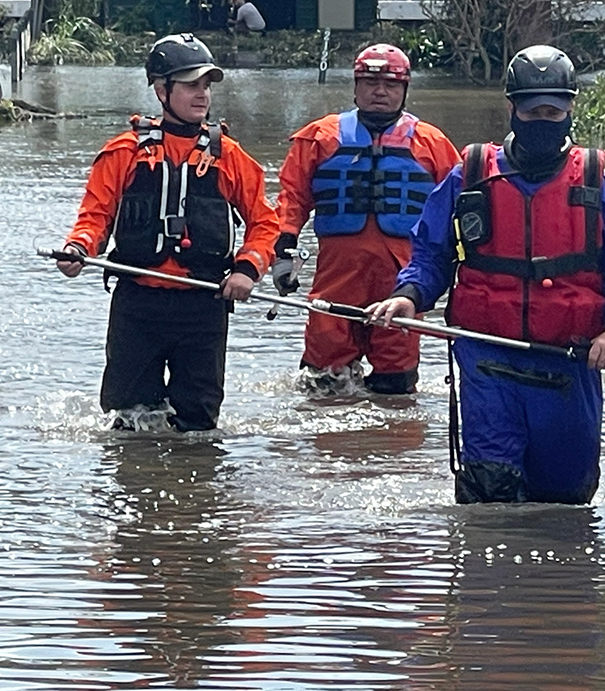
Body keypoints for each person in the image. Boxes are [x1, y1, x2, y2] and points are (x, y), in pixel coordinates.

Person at [368, 45, 605, 505]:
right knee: (488, 496)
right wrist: (409, 296)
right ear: (512, 108)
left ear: (569, 110)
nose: (543, 119)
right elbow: (430, 255)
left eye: (553, 111)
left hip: (568, 364)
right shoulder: (469, 177)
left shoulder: (596, 183)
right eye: (532, 109)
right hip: (487, 362)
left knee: (565, 502)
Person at [56, 33, 280, 431]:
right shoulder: (124, 152)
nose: (202, 95)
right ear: (162, 90)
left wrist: (248, 269)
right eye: (191, 85)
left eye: (206, 86)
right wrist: (78, 247)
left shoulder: (230, 157)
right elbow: (95, 215)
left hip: (203, 307)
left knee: (197, 427)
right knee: (128, 420)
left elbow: (266, 224)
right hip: (138, 305)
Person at [276, 43, 460, 394]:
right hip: (337, 274)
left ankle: (388, 444)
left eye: (390, 84)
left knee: (396, 384)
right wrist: (283, 251)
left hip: (401, 278)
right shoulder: (319, 137)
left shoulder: (433, 143)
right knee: (324, 381)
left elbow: (459, 210)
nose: (380, 91)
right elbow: (291, 198)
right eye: (371, 82)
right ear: (356, 86)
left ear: (404, 90)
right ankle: (333, 447)